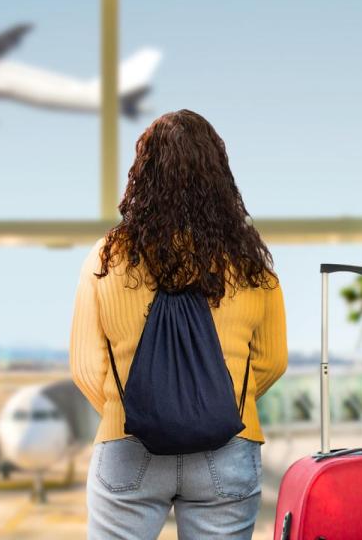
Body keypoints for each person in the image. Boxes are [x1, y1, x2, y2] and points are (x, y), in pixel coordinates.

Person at [69, 109, 288, 540]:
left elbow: (84, 366)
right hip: (227, 443)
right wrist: (211, 404)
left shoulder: (106, 258)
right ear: (220, 177)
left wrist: (141, 408)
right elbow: (272, 361)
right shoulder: (250, 264)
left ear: (142, 175)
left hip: (129, 444)